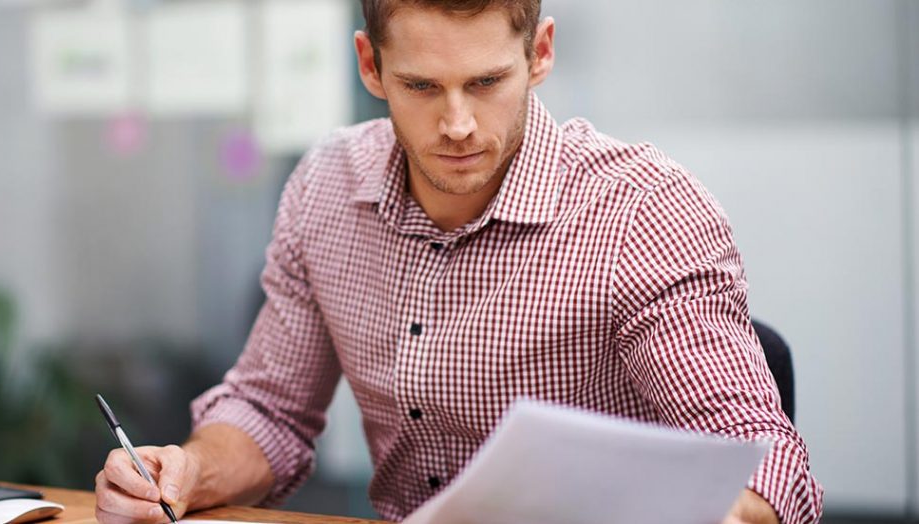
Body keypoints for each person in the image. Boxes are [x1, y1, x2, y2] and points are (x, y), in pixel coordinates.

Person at [95, 1, 824, 523]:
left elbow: (762, 457)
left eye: (485, 82)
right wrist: (189, 470)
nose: (457, 125)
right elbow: (269, 410)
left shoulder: (640, 212)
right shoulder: (327, 190)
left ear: (540, 54)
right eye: (421, 86)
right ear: (370, 65)